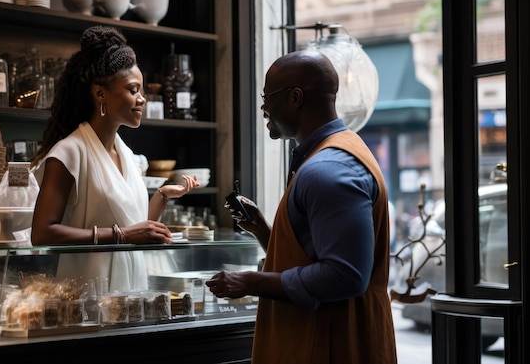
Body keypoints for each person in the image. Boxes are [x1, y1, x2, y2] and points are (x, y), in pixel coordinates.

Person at [206, 49, 397, 363]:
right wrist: (266, 233)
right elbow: (314, 256)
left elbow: (345, 275)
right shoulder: (339, 150)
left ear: (295, 97)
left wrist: (250, 281)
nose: (263, 106)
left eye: (268, 96)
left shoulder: (327, 170)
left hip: (332, 343)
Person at [30, 25, 199, 291]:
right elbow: (42, 233)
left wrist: (162, 197)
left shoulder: (127, 156)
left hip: (129, 294)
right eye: (133, 90)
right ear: (100, 94)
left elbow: (135, 225)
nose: (141, 99)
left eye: (141, 91)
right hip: (88, 296)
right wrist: (123, 235)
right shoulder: (69, 152)